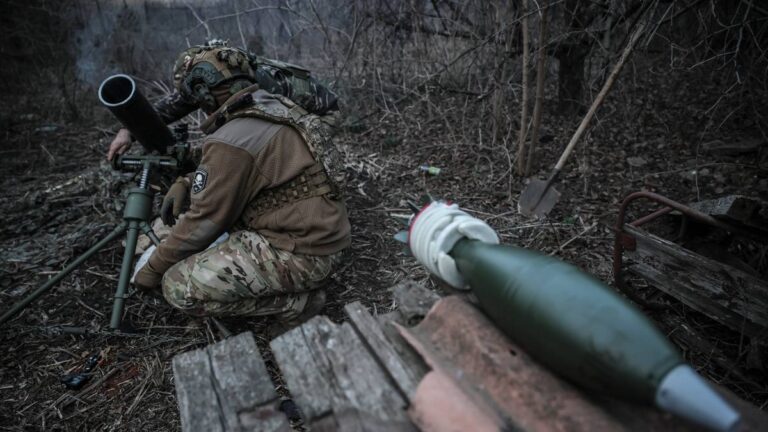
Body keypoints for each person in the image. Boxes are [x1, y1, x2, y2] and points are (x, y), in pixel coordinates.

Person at [128, 41, 350, 330]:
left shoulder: (231, 137)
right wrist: (187, 180)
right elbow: (242, 169)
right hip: (325, 236)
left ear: (204, 93)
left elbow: (203, 222)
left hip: (304, 253)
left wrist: (151, 271)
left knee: (176, 286)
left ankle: (297, 303)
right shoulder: (274, 104)